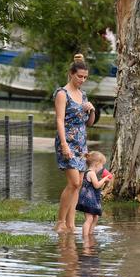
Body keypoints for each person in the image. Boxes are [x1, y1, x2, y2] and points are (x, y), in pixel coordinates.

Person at [54, 54, 96, 233]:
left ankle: (70, 224)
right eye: (80, 76)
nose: (82, 80)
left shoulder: (83, 95)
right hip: (68, 141)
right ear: (71, 74)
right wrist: (63, 144)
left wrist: (92, 109)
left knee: (78, 184)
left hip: (81, 144)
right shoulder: (62, 94)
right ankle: (60, 222)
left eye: (85, 77)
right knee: (74, 183)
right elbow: (59, 120)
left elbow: (89, 123)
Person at [76, 151, 112, 237]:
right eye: (102, 165)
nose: (102, 168)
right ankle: (85, 237)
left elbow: (97, 186)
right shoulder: (91, 173)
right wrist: (104, 179)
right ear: (97, 164)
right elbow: (96, 185)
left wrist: (104, 181)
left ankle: (90, 234)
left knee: (95, 217)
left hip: (92, 199)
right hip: (88, 199)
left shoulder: (92, 173)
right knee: (89, 218)